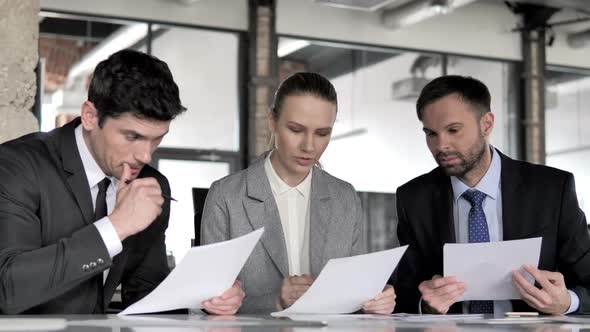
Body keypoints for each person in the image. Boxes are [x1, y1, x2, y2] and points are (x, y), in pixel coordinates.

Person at [0, 49, 244, 315]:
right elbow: (7, 289)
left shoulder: (151, 184)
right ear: (90, 116)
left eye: (157, 138)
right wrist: (116, 228)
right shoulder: (17, 165)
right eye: (132, 136)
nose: (146, 155)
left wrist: (203, 301)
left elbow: (146, 296)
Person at [392, 75, 590, 315]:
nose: (441, 145)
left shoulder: (552, 189)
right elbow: (403, 291)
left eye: (453, 130)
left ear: (486, 124)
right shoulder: (413, 198)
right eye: (431, 133)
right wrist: (425, 304)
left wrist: (567, 302)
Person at [201, 72, 396, 314]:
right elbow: (209, 305)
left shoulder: (345, 197)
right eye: (296, 129)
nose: (309, 146)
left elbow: (354, 293)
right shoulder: (226, 196)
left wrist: (375, 300)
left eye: (322, 133)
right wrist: (275, 301)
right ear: (272, 120)